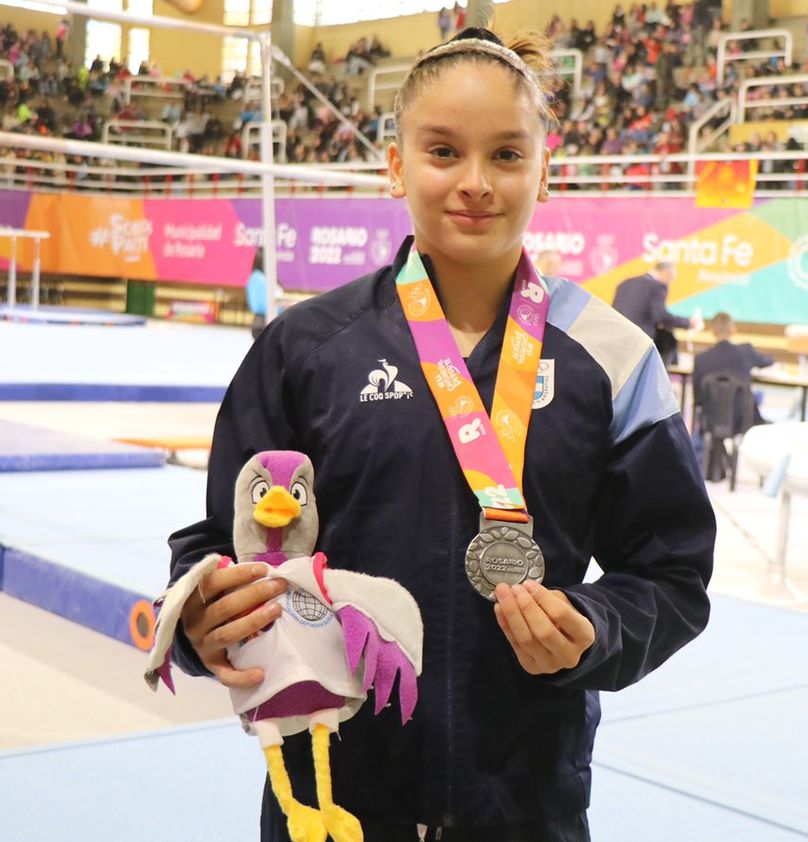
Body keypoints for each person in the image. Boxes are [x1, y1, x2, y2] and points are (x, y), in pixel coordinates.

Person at [165, 26, 714, 842]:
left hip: (526, 804)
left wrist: (596, 626)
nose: (476, 184)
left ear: (544, 171)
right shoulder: (306, 350)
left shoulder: (613, 359)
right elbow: (221, 540)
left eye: (506, 155)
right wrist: (200, 616)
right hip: (334, 800)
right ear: (396, 165)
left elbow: (671, 573)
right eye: (444, 152)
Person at [692, 311, 772, 427]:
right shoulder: (746, 352)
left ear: (712, 330)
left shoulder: (701, 359)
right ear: (733, 329)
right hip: (742, 418)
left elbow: (698, 398)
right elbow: (768, 361)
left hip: (711, 419)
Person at [611, 260, 689, 365]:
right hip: (638, 342)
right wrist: (688, 322)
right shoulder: (658, 286)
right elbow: (660, 316)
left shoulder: (624, 283)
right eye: (671, 279)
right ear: (666, 272)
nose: (670, 283)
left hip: (616, 339)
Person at [244, 249, 270, 339]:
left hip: (262, 321)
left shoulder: (256, 277)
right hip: (263, 321)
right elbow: (261, 305)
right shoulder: (260, 279)